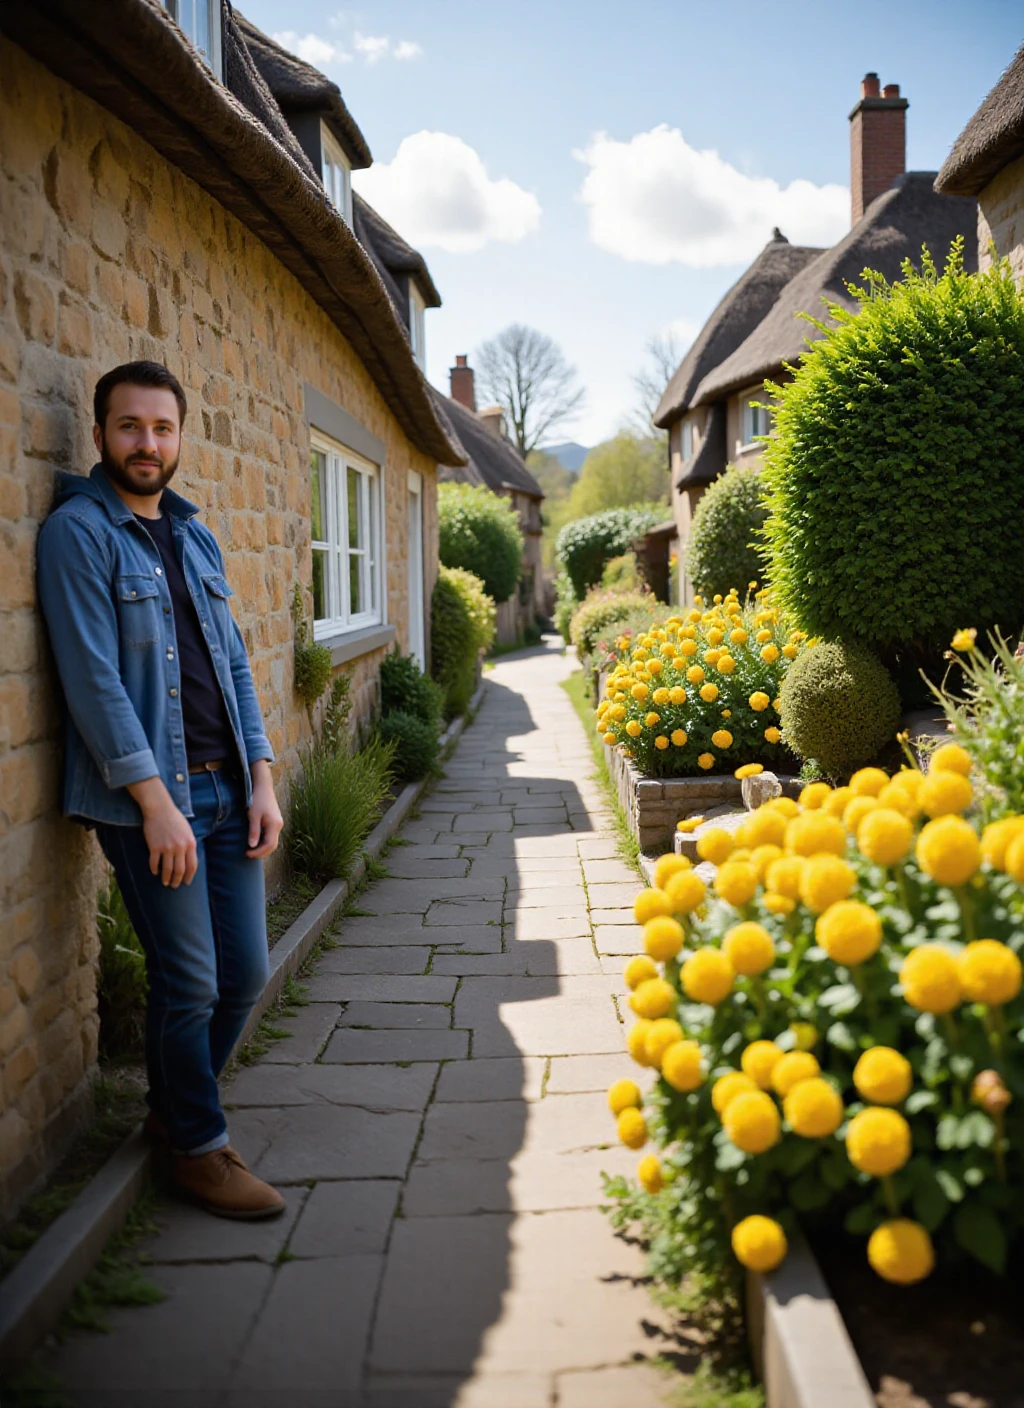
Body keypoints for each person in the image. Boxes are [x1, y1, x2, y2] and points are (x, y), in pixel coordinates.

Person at [37, 361, 286, 1220]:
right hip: (153, 806)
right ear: (102, 432)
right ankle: (198, 1147)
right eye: (131, 426)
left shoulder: (197, 536)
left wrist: (263, 780)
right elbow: (94, 683)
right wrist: (155, 806)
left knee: (245, 976)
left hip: (227, 795)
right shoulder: (79, 533)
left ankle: (175, 1109)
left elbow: (237, 670)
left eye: (163, 428)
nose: (148, 443)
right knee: (192, 984)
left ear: (181, 436)